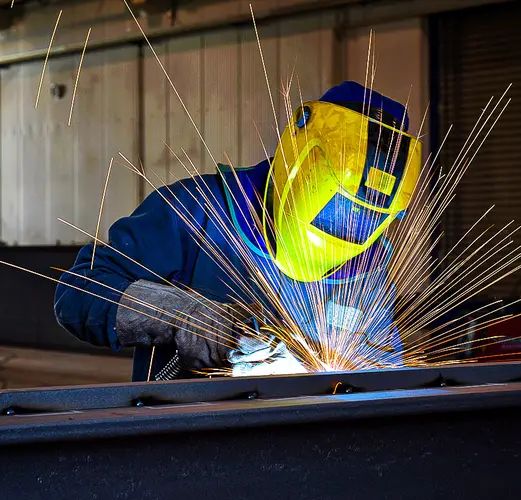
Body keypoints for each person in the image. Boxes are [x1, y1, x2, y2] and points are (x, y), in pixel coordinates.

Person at [53, 81, 422, 381]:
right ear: (302, 167)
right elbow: (77, 294)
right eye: (338, 208)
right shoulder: (200, 210)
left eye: (365, 220)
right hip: (186, 449)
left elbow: (381, 365)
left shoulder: (370, 262)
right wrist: (181, 315)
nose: (348, 229)